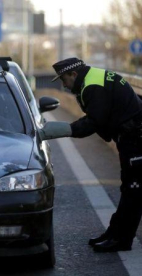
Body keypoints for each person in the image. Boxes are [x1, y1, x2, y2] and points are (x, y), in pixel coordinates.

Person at [52, 57, 142, 252]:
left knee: (134, 189)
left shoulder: (93, 86)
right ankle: (114, 232)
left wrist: (65, 129)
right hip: (132, 135)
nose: (64, 85)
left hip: (136, 137)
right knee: (129, 187)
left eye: (64, 79)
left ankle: (122, 240)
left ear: (73, 73)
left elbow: (94, 121)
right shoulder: (94, 77)